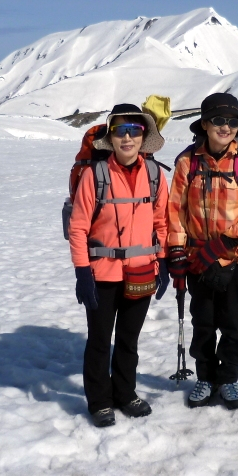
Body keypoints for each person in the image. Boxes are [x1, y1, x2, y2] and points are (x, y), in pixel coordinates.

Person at [69, 104, 170, 427]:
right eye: (120, 131)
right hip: (102, 273)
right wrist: (83, 272)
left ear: (144, 137)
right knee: (99, 340)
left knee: (129, 339)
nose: (127, 138)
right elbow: (79, 227)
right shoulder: (94, 176)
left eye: (135, 131)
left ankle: (125, 393)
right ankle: (99, 401)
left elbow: (162, 222)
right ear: (110, 137)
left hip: (142, 268)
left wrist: (163, 261)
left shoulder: (154, 175)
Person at [166, 93, 238, 410]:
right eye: (219, 121)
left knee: (234, 320)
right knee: (204, 321)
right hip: (198, 259)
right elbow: (176, 211)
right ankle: (206, 377)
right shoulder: (187, 162)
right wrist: (178, 252)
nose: (226, 127)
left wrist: (224, 242)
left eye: (232, 122)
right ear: (206, 124)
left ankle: (229, 378)